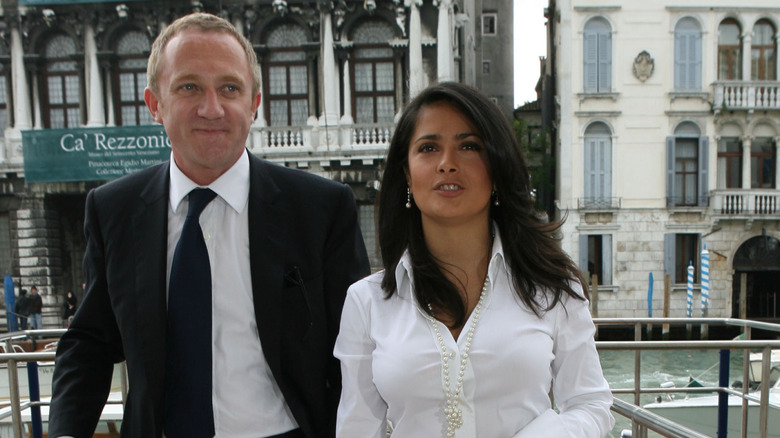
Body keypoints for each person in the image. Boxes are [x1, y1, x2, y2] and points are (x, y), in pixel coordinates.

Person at [49, 12, 369, 438]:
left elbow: (353, 351)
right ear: (154, 104)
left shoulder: (321, 208)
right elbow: (88, 342)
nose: (211, 108)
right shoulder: (114, 210)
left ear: (254, 104)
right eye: (189, 87)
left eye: (229, 88)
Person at [334, 82, 614, 437]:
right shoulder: (367, 302)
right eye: (429, 148)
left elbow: (591, 405)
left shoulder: (551, 286)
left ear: (495, 170)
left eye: (468, 146)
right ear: (407, 173)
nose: (447, 164)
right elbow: (357, 429)